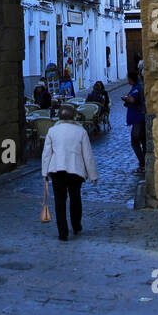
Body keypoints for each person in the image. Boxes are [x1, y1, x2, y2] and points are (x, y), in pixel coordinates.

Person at [41, 103, 97, 241]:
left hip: (57, 169)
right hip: (75, 170)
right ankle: (76, 225)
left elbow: (46, 154)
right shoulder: (81, 131)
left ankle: (62, 232)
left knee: (60, 202)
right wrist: (93, 175)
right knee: (75, 198)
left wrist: (44, 172)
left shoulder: (52, 131)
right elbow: (87, 155)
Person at [123, 70, 147, 173]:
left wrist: (126, 98)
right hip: (140, 118)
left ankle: (143, 164)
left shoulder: (137, 88)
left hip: (138, 118)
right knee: (143, 141)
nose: (127, 80)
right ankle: (144, 163)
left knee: (135, 141)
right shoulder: (137, 86)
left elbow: (132, 100)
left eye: (128, 78)